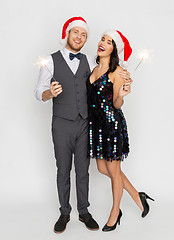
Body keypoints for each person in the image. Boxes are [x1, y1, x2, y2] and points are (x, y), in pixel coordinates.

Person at [35, 17, 131, 233]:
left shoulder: (90, 61)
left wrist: (123, 77)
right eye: (75, 32)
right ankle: (64, 212)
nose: (79, 37)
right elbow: (37, 91)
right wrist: (50, 92)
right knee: (63, 169)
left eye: (84, 34)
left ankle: (84, 212)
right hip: (61, 123)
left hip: (86, 124)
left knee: (84, 170)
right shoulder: (50, 61)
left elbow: (108, 77)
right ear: (67, 35)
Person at [87, 30, 154, 232]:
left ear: (114, 49)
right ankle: (136, 195)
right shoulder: (93, 67)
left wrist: (122, 95)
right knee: (102, 169)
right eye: (102, 39)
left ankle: (115, 213)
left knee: (114, 171)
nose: (103, 43)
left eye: (109, 42)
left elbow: (116, 104)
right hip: (96, 126)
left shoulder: (117, 72)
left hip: (111, 124)